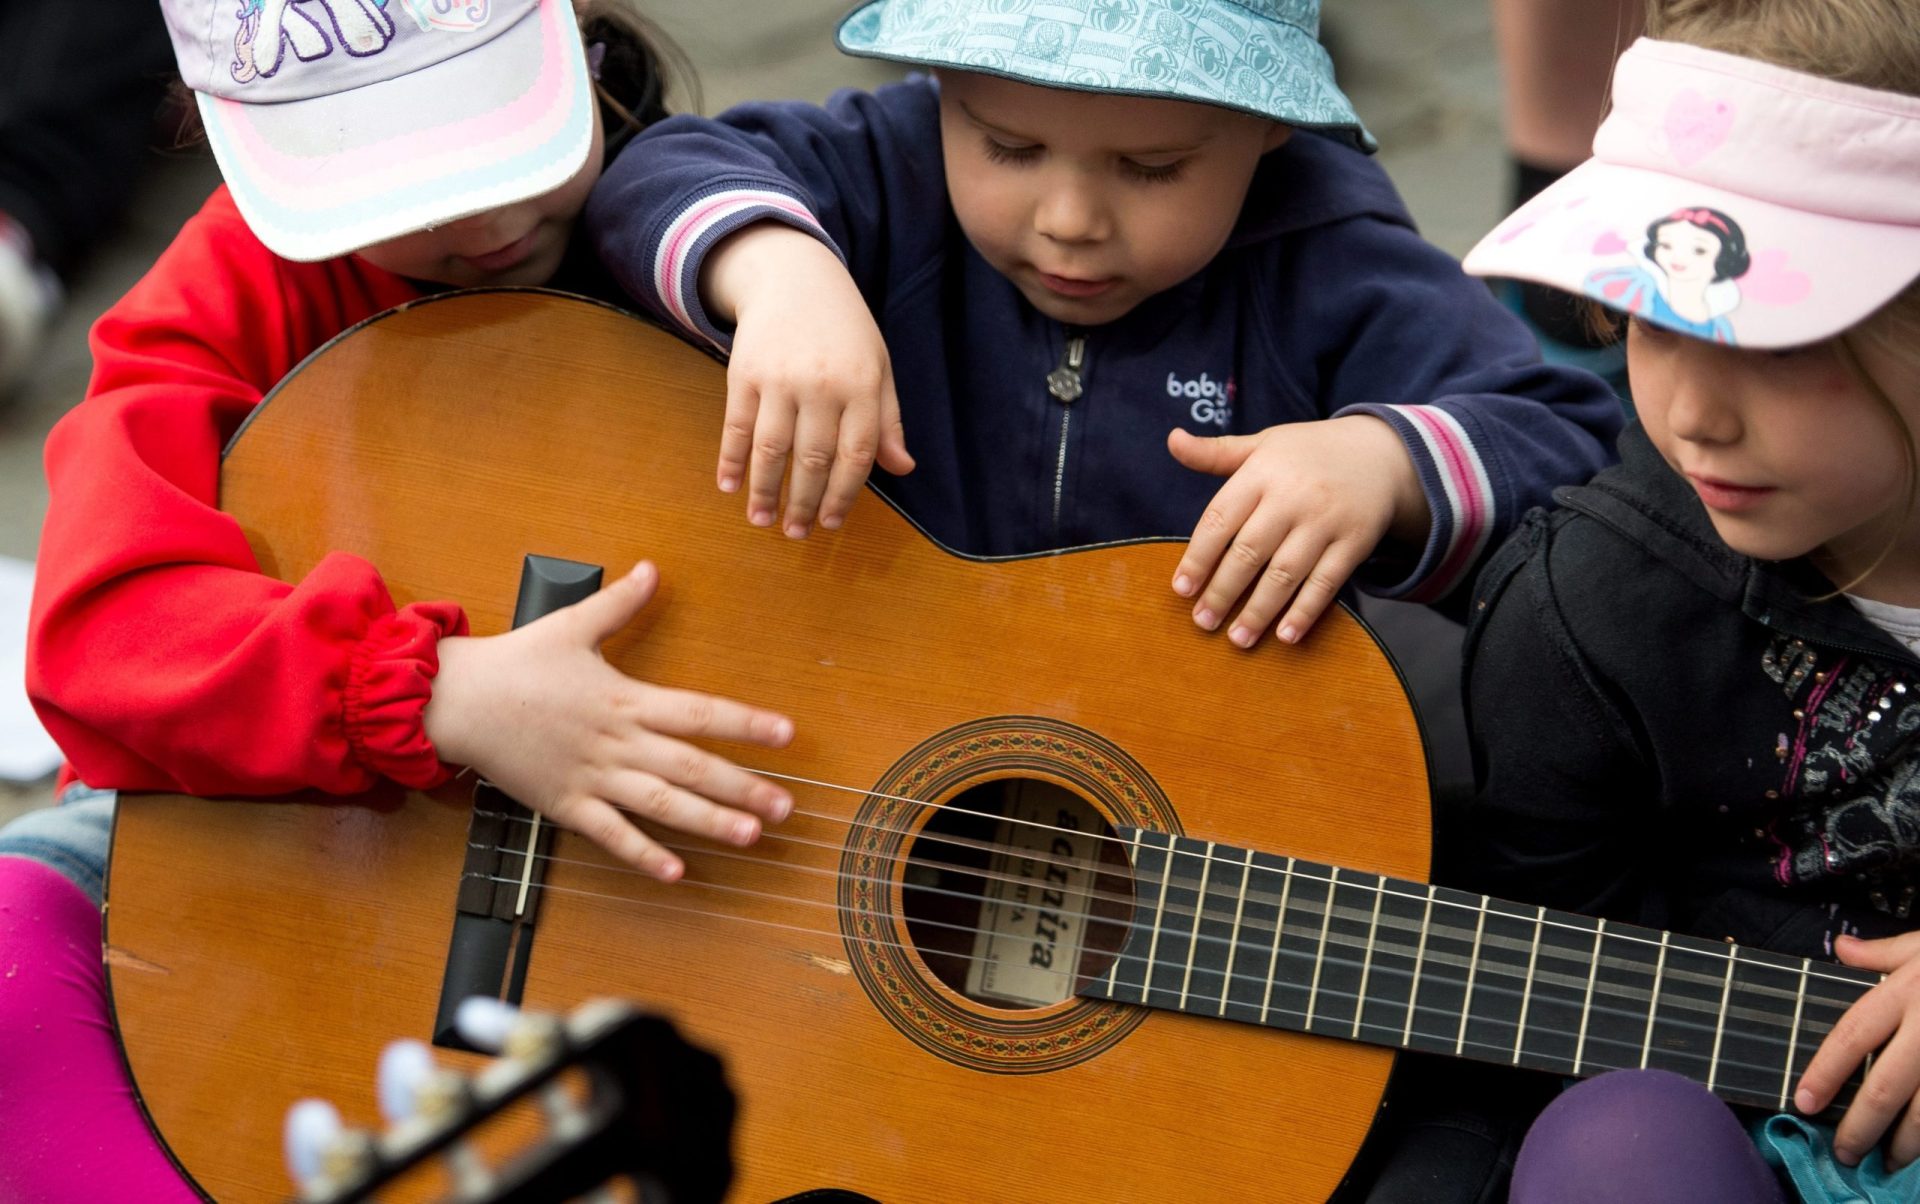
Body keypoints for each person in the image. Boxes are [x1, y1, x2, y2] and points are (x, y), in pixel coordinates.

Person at [0, 2, 796, 1198]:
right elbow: (100, 628)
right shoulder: (235, 281)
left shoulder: (743, 214)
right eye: (394, 178)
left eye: (490, 138)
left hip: (649, 913)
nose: (478, 221)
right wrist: (433, 689)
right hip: (228, 847)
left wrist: (792, 274)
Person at [584, 0, 1624, 655]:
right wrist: (777, 269)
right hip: (873, 694)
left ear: (1269, 132)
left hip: (1191, 769)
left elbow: (1565, 436)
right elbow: (654, 171)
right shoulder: (883, 168)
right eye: (1009, 146)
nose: (1070, 219)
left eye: (1150, 168)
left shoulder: (1328, 248)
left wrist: (1384, 461)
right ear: (942, 88)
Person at [1455, 0, 1920, 1198]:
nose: (1695, 415)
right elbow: (1548, 994)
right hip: (1776, 1123)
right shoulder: (1586, 611)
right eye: (1656, 324)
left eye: (1773, 345)